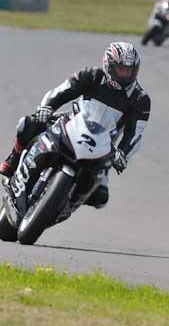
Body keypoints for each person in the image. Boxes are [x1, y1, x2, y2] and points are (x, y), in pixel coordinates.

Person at [0, 42, 150, 209]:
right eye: (121, 69)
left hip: (103, 147)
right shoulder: (91, 75)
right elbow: (62, 91)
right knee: (30, 124)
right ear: (109, 65)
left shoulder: (140, 99)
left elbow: (134, 134)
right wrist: (47, 107)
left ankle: (65, 204)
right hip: (73, 123)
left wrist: (123, 154)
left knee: (100, 198)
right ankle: (13, 159)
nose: (125, 75)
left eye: (129, 70)